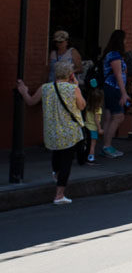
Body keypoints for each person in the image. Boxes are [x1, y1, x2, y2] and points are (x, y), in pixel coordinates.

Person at [17, 60, 85, 204]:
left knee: (56, 154)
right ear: (71, 75)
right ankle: (59, 195)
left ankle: (56, 175)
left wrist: (24, 91)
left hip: (52, 131)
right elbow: (82, 106)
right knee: (66, 161)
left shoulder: (45, 88)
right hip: (69, 131)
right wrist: (77, 87)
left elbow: (30, 101)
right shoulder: (73, 89)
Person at [99, 30, 129, 158]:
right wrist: (124, 93)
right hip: (114, 88)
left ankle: (106, 146)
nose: (126, 41)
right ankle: (107, 146)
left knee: (109, 117)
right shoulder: (115, 55)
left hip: (109, 88)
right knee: (118, 117)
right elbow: (118, 75)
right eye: (125, 39)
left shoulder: (111, 54)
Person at [82, 81, 104, 165]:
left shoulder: (88, 106)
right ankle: (90, 159)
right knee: (92, 145)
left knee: (86, 144)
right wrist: (99, 129)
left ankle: (84, 157)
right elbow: (96, 119)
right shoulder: (98, 109)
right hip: (93, 129)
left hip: (86, 126)